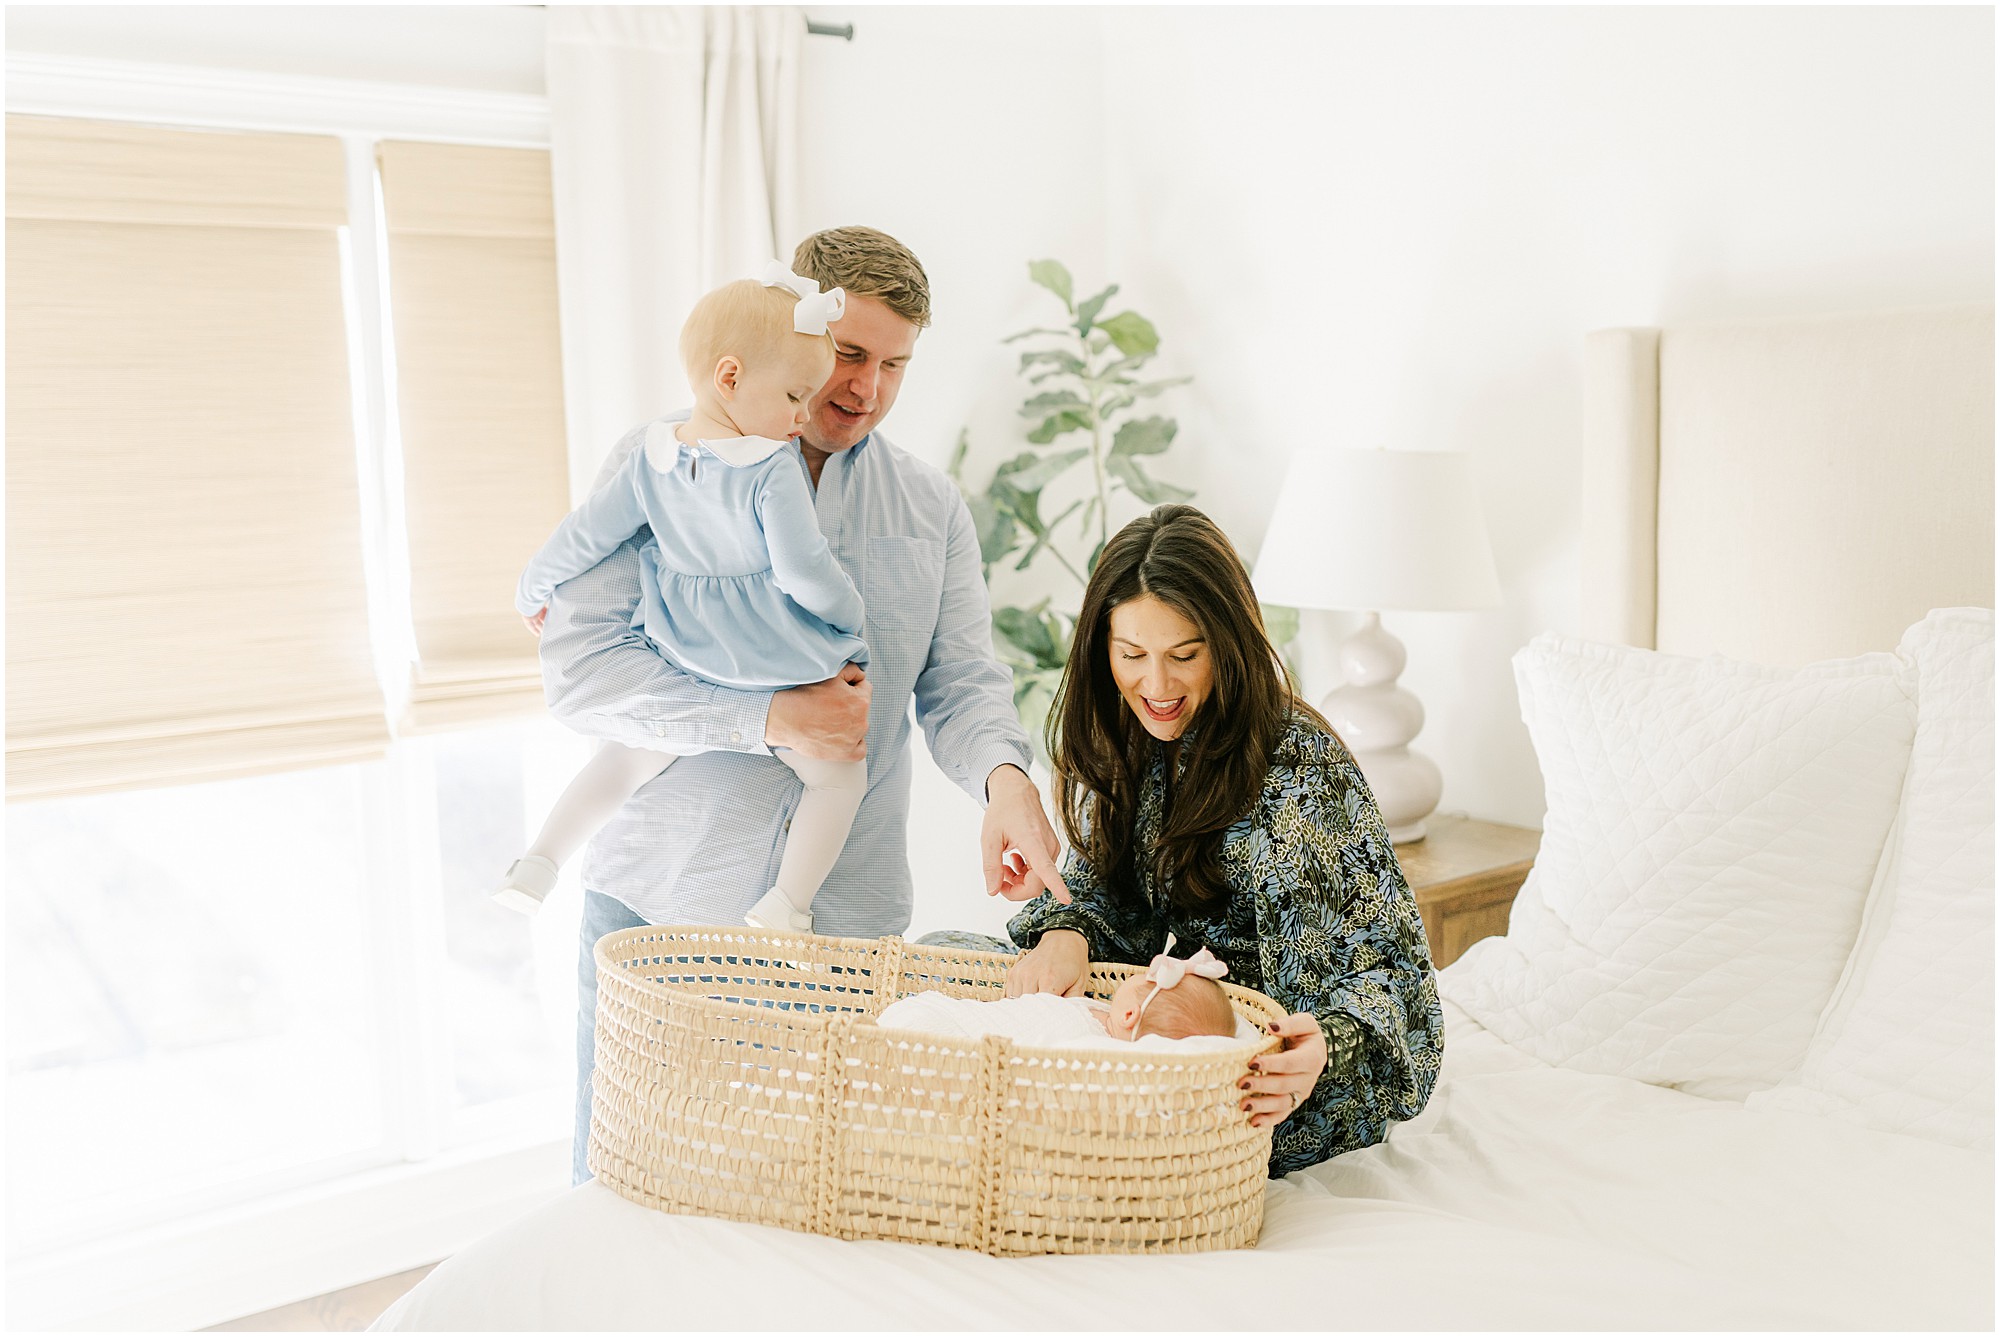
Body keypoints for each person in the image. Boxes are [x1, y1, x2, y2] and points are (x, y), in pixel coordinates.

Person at [539, 226, 1068, 1185]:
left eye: (895, 365)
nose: (865, 387)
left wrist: (1004, 780)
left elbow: (961, 682)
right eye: (851, 354)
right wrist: (768, 718)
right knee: (621, 1207)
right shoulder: (657, 465)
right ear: (802, 331)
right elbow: (581, 675)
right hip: (666, 905)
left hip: (844, 934)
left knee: (815, 1215)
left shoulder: (931, 508)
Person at [931, 503, 1443, 1176]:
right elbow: (1100, 897)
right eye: (1132, 655)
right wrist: (1066, 931)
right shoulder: (1126, 736)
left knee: (1140, 1117)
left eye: (1185, 654)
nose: (1158, 685)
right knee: (941, 966)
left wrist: (1329, 1044)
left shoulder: (1296, 769)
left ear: (1225, 644)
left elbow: (1393, 981)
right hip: (1139, 1017)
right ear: (1102, 646)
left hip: (1260, 1071)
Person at [500, 267, 866, 934]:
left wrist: (533, 585)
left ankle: (540, 858)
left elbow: (586, 534)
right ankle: (787, 903)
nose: (803, 416)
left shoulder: (648, 457)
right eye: (793, 395)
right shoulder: (771, 467)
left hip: (680, 643)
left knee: (623, 757)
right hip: (767, 653)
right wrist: (848, 615)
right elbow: (803, 570)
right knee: (838, 777)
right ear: (729, 378)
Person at [876, 947, 1241, 1048]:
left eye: (1144, 978)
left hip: (948, 1032)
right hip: (956, 1017)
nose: (1139, 972)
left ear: (1129, 1014)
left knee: (922, 1040)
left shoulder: (1096, 1049)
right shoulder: (1102, 1015)